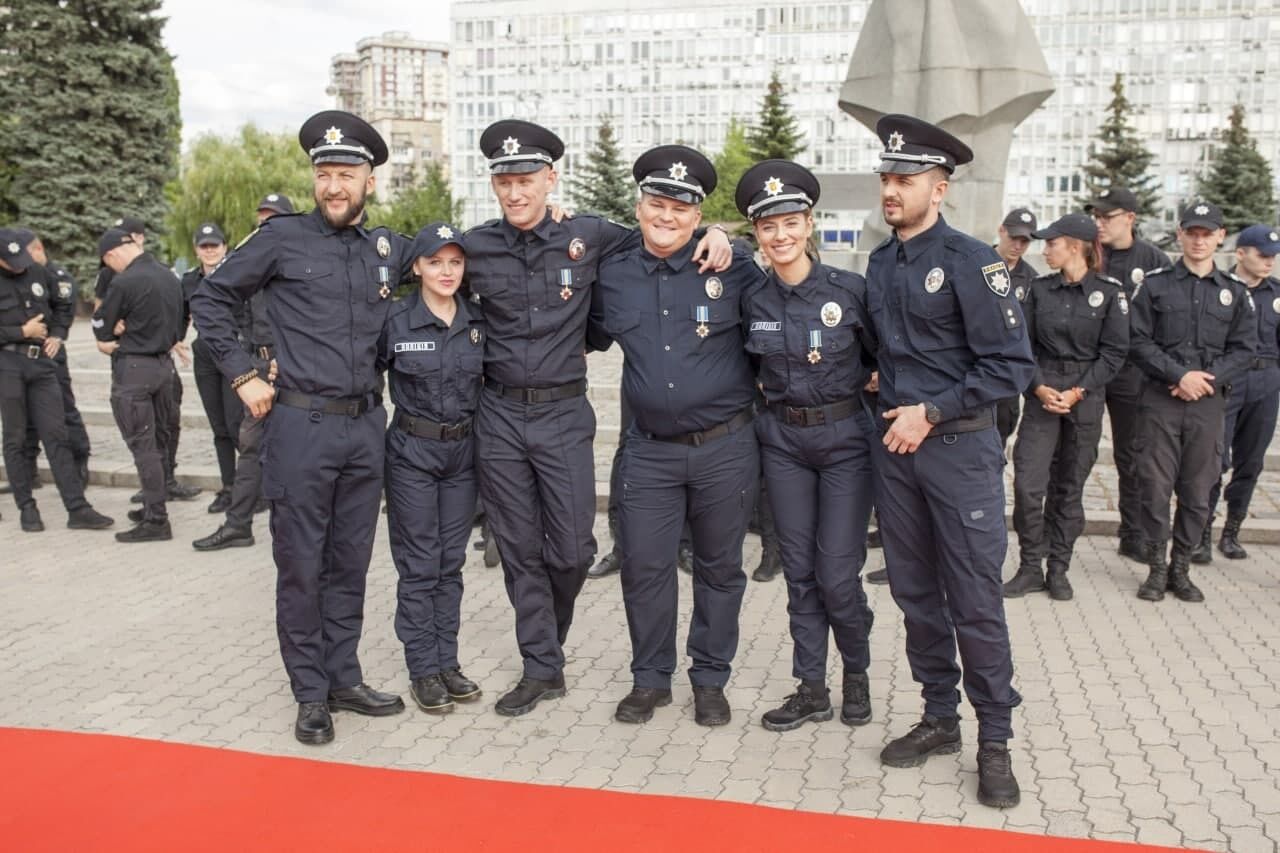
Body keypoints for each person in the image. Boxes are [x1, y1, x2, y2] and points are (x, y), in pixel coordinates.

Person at [463, 120, 730, 717]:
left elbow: (662, 229)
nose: (515, 193)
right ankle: (542, 666)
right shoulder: (473, 245)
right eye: (504, 181)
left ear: (550, 179)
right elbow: (417, 266)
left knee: (573, 551)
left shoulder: (591, 235)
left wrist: (717, 232)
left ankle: (548, 638)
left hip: (562, 413)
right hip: (499, 413)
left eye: (527, 179)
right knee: (518, 549)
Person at [191, 110, 411, 745]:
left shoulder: (388, 248)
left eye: (346, 174)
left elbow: (462, 252)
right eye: (324, 174)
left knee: (350, 563)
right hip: (300, 426)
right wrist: (241, 373)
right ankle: (310, 694)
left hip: (367, 427)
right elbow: (210, 297)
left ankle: (344, 678)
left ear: (369, 181)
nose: (334, 185)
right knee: (301, 566)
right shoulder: (280, 239)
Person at [862, 115, 1034, 809]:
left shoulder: (972, 261)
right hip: (898, 457)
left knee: (973, 600)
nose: (890, 190)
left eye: (904, 180)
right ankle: (940, 716)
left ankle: (994, 738)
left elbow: (1010, 366)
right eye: (886, 178)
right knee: (914, 595)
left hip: (958, 450)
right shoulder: (879, 262)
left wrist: (929, 409)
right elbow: (885, 350)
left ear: (941, 188)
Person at [588, 145, 761, 727]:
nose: (667, 217)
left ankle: (710, 679)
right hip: (649, 453)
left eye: (681, 210)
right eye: (657, 204)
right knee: (645, 567)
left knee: (719, 569)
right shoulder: (610, 273)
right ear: (639, 207)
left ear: (697, 215)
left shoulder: (732, 267)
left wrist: (729, 239)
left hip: (725, 448)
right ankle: (650, 679)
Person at [736, 160, 877, 731]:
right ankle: (811, 686)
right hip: (784, 443)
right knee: (798, 571)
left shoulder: (851, 291)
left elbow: (882, 361)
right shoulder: (753, 300)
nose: (781, 236)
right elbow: (745, 368)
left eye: (790, 222)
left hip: (846, 442)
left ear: (810, 223)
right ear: (758, 235)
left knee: (837, 575)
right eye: (768, 227)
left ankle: (858, 675)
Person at [378, 222, 485, 715]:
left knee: (451, 563)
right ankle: (423, 668)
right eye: (436, 262)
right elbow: (360, 377)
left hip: (463, 457)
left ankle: (448, 661)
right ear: (417, 266)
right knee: (420, 565)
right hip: (412, 457)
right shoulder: (395, 321)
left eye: (455, 262)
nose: (447, 271)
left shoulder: (479, 321)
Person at [1129, 200, 1255, 603]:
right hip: (1160, 402)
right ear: (1180, 233)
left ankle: (1181, 567)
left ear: (1221, 237)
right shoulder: (1155, 284)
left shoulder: (1234, 293)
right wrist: (1177, 375)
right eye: (1192, 232)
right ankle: (1156, 568)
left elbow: (1245, 349)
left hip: (1206, 405)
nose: (1199, 240)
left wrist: (1202, 381)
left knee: (1198, 490)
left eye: (1208, 233)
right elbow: (1136, 340)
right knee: (1153, 487)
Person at [1003, 214, 1128, 601]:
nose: (1044, 250)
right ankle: (1029, 567)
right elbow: (1022, 347)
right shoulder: (1040, 291)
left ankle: (1058, 567)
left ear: (1074, 246)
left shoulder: (1110, 293)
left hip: (1084, 399)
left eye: (1051, 243)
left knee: (1069, 488)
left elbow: (1114, 353)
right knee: (1027, 484)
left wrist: (1077, 391)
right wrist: (1039, 387)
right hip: (1043, 395)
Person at [191, 195, 292, 552]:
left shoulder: (297, 259)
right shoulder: (248, 263)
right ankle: (238, 525)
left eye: (274, 219)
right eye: (262, 219)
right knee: (250, 446)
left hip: (294, 367)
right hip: (258, 365)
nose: (266, 225)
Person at [0, 230, 112, 532]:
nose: (21, 266)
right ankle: (27, 508)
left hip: (42, 365)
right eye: (12, 262)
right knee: (15, 439)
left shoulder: (38, 271)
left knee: (57, 435)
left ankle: (77, 508)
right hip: (7, 365)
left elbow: (64, 303)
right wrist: (20, 333)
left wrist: (59, 335)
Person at [1085, 188, 1169, 562]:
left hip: (1133, 373)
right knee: (1077, 452)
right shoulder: (1087, 252)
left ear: (1129, 218)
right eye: (1096, 217)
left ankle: (1131, 532)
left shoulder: (1152, 259)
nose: (1099, 223)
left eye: (1107, 217)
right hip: (1089, 368)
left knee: (1132, 456)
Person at [92, 227, 186, 542]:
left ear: (111, 255)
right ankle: (152, 505)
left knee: (143, 447)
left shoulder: (124, 281)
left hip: (134, 369)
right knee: (158, 443)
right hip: (164, 367)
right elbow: (180, 323)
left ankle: (157, 520)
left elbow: (101, 329)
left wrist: (117, 330)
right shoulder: (169, 276)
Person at [1197, 225, 1280, 561]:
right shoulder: (1222, 289)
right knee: (1214, 460)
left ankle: (1231, 530)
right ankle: (1201, 532)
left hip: (1266, 383)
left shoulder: (1276, 294)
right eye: (1262, 255)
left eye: (1273, 256)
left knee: (1252, 461)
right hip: (1228, 382)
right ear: (1241, 253)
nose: (1269, 262)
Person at [182, 223, 242, 514]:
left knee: (235, 425)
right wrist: (172, 339)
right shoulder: (189, 280)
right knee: (219, 427)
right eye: (204, 246)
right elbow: (181, 313)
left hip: (232, 352)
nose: (210, 250)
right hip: (205, 354)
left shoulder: (238, 275)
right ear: (196, 249)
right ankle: (229, 487)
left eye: (214, 245)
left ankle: (251, 487)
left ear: (225, 247)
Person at [993, 208, 1040, 449]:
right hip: (970, 364)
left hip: (1006, 374)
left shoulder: (1032, 280)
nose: (1018, 246)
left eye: (1025, 241)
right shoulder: (974, 263)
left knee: (999, 437)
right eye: (1014, 238)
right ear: (1002, 230)